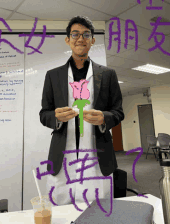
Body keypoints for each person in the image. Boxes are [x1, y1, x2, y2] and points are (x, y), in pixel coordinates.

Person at [39, 16, 124, 205]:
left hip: (97, 154)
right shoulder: (53, 76)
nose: (80, 38)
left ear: (93, 40)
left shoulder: (108, 75)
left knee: (97, 210)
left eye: (86, 34)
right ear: (67, 39)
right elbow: (44, 114)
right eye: (75, 34)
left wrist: (104, 117)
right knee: (59, 209)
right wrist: (55, 117)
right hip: (62, 154)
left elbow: (118, 112)